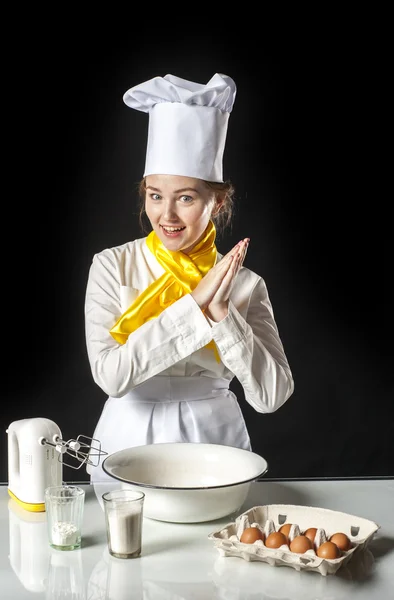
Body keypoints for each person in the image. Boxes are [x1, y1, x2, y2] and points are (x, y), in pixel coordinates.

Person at [84, 73, 294, 482]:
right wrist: (194, 306)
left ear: (216, 201)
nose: (166, 216)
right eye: (155, 195)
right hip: (127, 439)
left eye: (186, 197)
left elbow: (271, 396)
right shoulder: (112, 265)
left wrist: (222, 315)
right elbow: (111, 377)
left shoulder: (246, 284)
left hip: (215, 445)